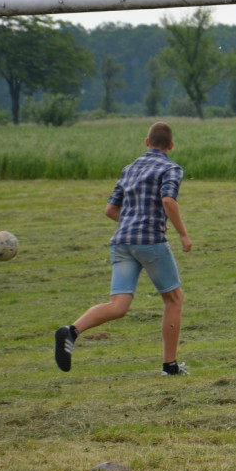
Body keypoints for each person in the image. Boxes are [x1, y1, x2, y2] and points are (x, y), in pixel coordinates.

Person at [54, 121, 192, 376]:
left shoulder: (129, 169)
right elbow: (167, 200)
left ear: (146, 142)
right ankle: (170, 366)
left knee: (118, 305)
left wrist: (135, 221)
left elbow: (110, 210)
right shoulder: (171, 168)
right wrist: (183, 234)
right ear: (171, 146)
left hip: (121, 242)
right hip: (149, 242)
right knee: (174, 299)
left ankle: (71, 331)